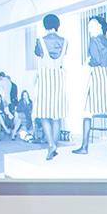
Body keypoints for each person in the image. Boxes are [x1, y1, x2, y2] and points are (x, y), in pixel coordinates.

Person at [74, 14, 107, 155]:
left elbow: (95, 60)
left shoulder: (93, 40)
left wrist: (89, 61)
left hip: (96, 76)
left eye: (92, 25)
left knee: (87, 113)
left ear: (100, 27)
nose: (90, 28)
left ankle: (84, 147)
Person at [31, 11, 70, 160]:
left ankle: (51, 145)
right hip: (59, 78)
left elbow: (38, 54)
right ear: (57, 25)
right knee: (57, 115)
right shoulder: (65, 41)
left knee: (43, 114)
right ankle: (54, 145)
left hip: (45, 78)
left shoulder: (40, 40)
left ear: (45, 25)